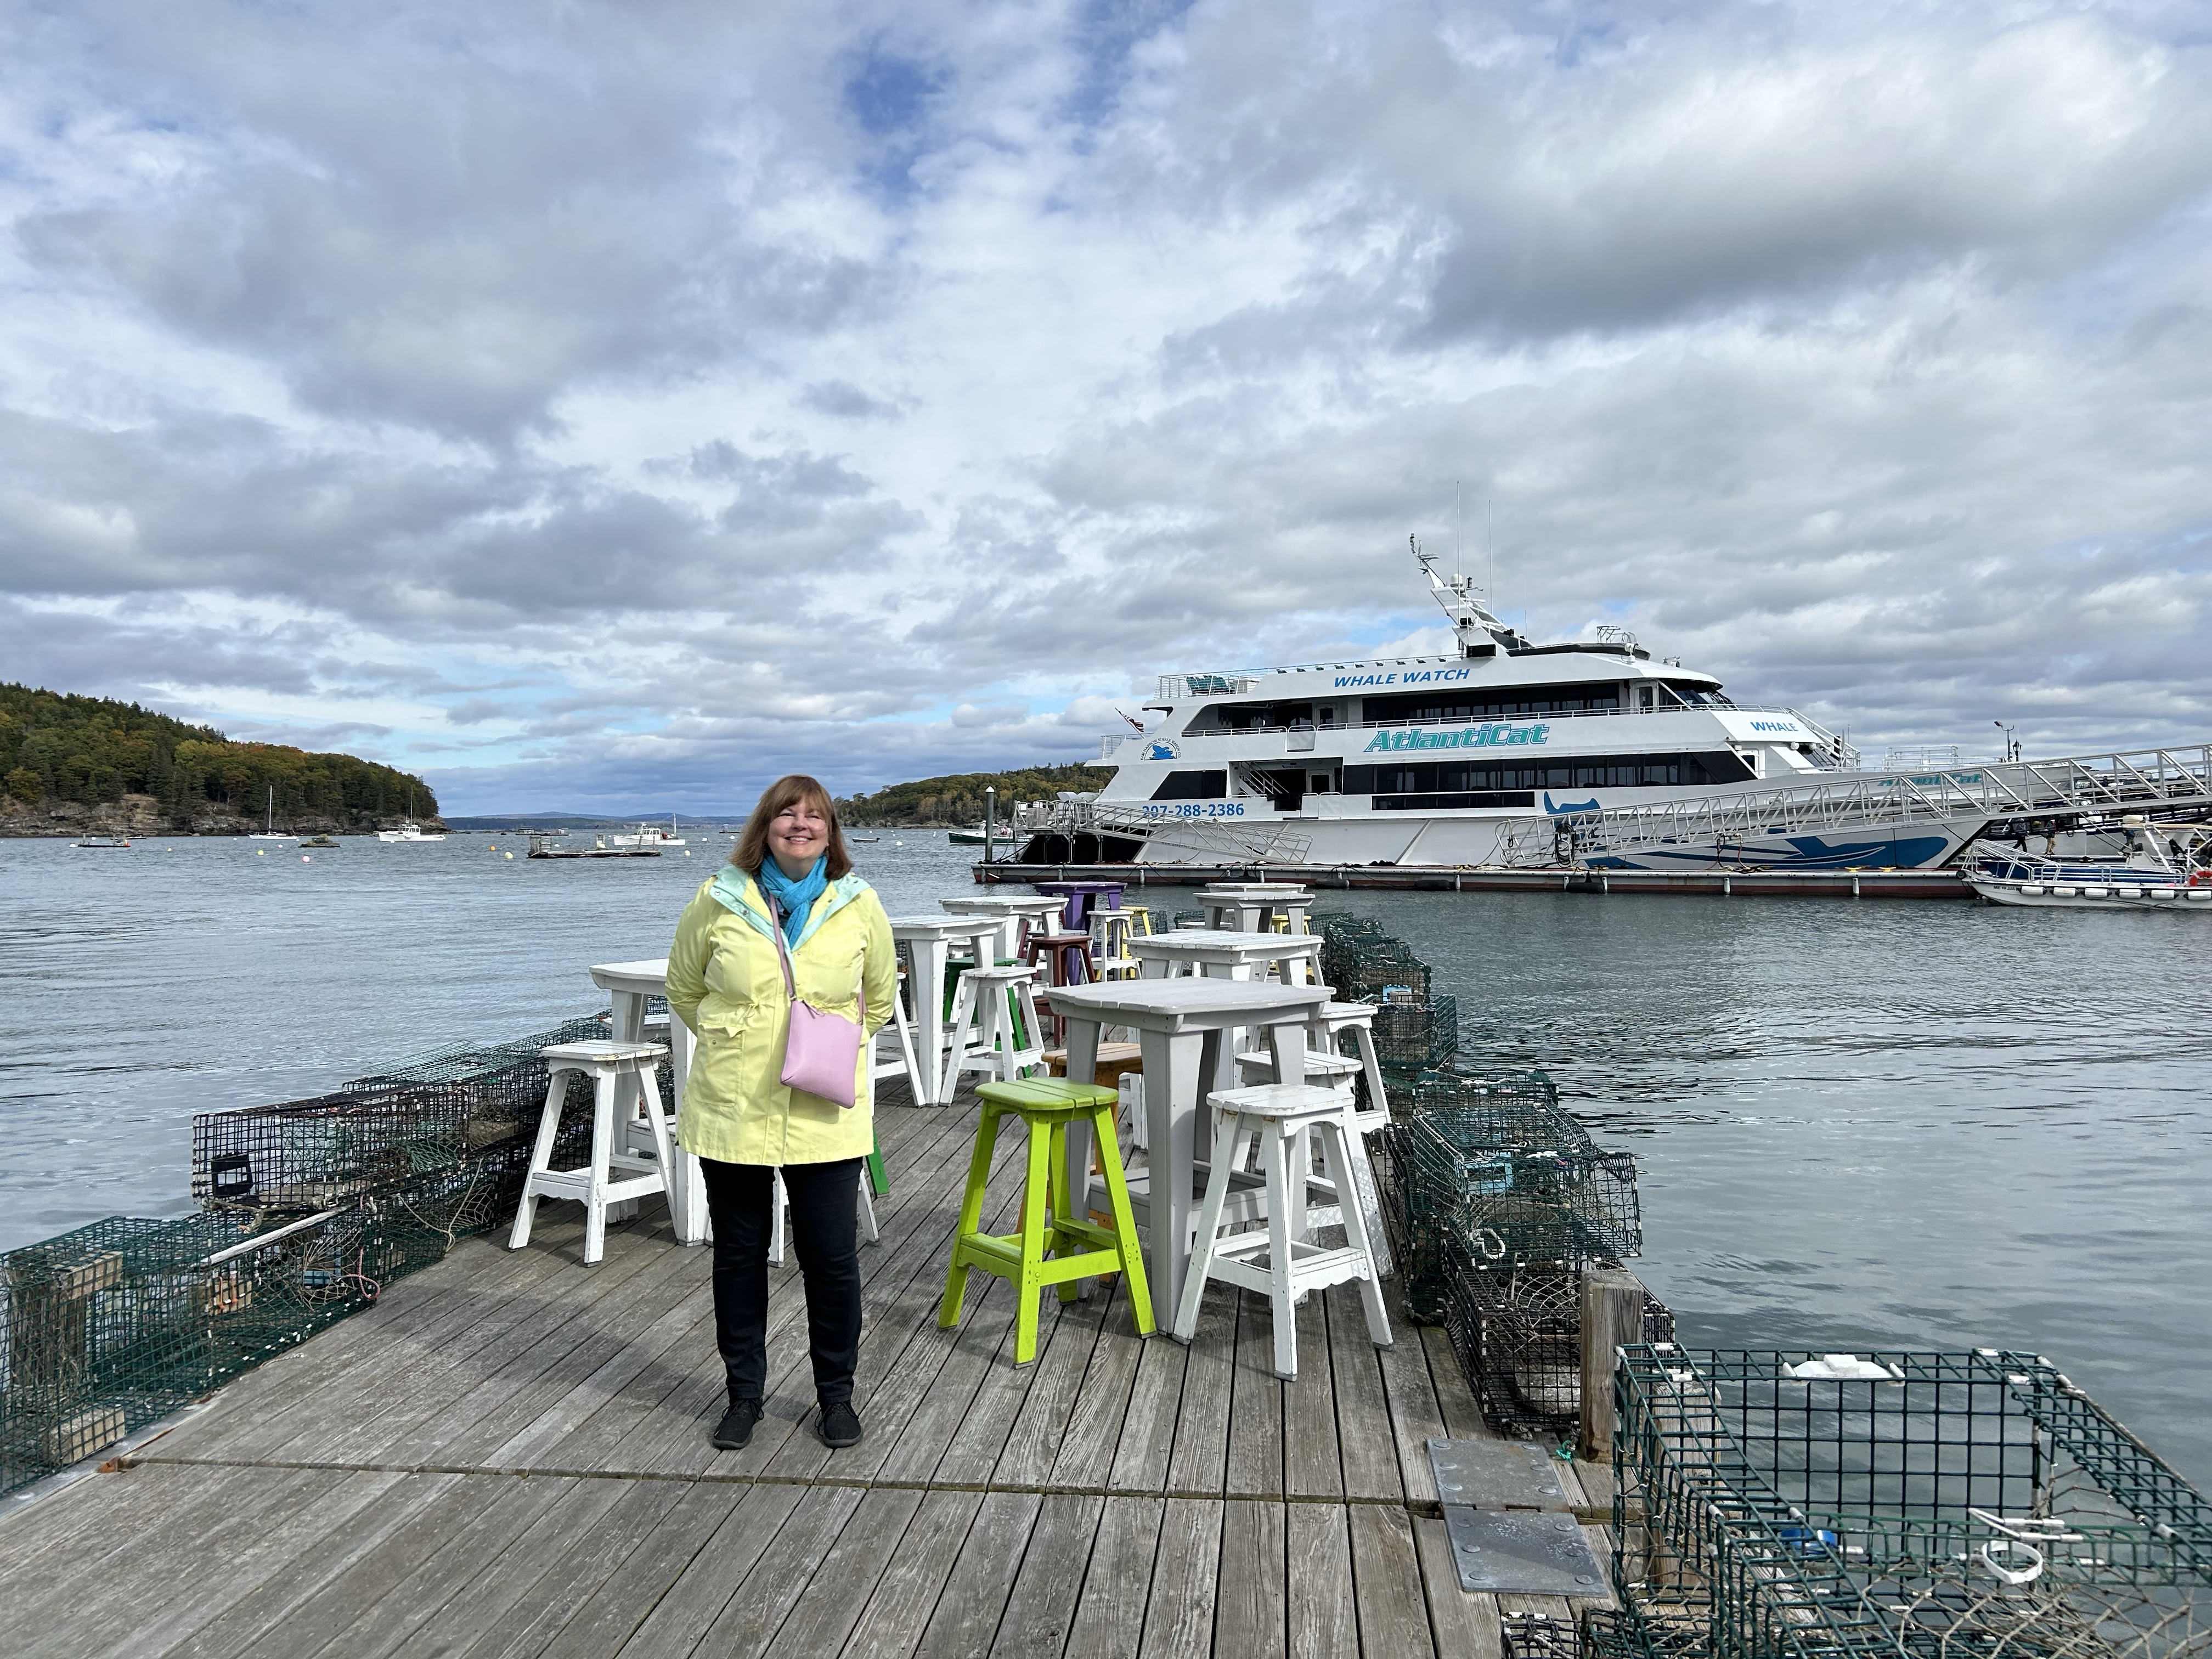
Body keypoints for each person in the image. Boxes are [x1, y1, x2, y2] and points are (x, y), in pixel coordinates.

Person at [665, 775, 897, 1452]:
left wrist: (825, 1049)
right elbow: (684, 988)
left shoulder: (859, 903)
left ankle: (836, 1397)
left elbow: (880, 999)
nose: (801, 824)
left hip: (824, 1111)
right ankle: (744, 1396)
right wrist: (739, 1041)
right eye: (787, 814)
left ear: (831, 831)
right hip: (734, 1106)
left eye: (814, 815)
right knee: (739, 1257)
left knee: (831, 1259)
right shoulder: (718, 898)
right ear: (764, 828)